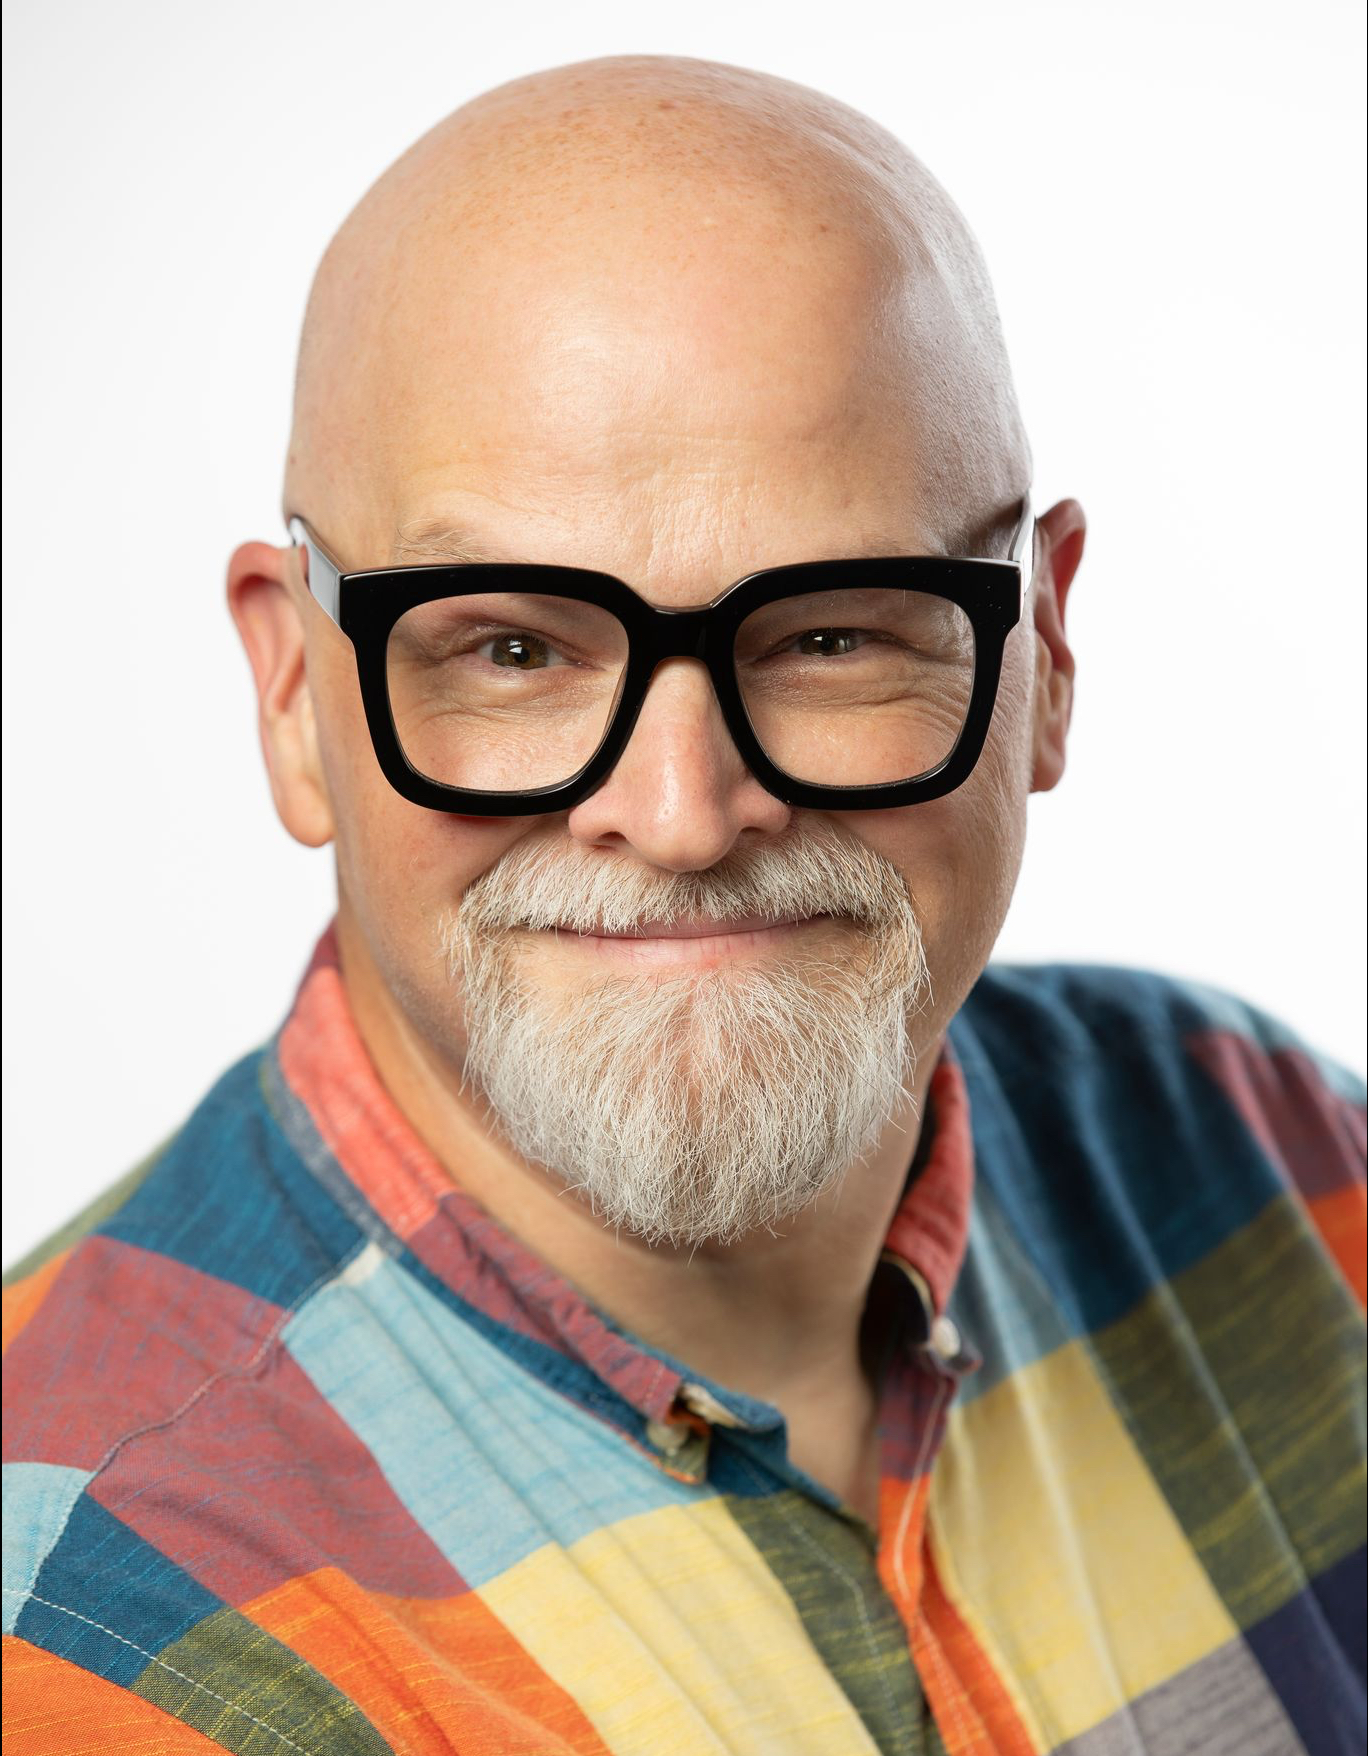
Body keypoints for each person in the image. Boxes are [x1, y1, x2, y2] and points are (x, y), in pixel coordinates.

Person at [3, 52, 1363, 1756]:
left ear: (1046, 649)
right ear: (294, 701)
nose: (683, 814)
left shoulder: (1288, 1168)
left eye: (831, 634)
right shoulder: (92, 1642)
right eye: (513, 649)